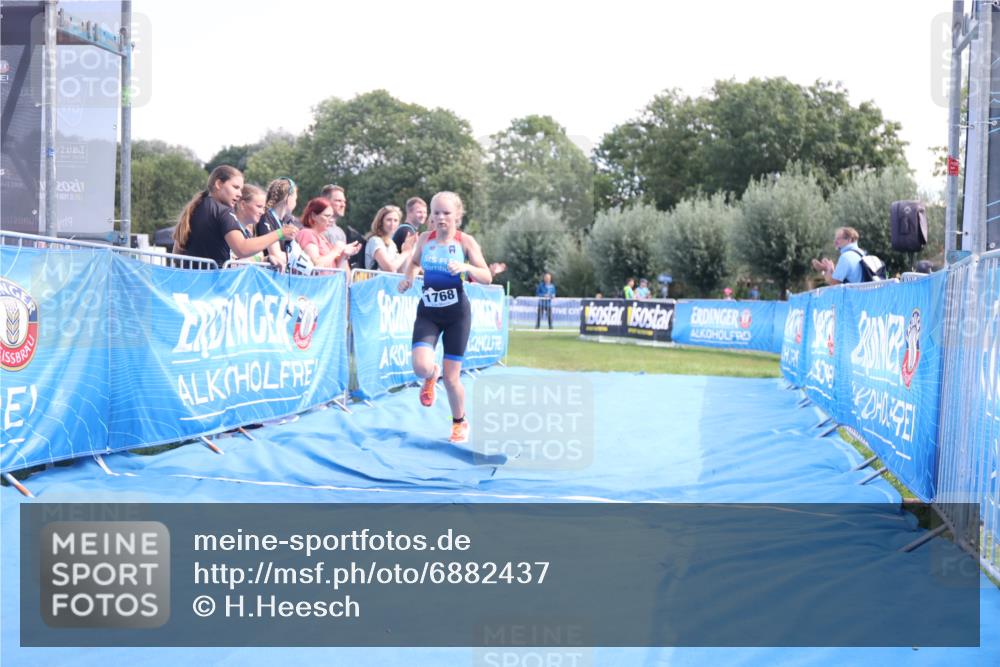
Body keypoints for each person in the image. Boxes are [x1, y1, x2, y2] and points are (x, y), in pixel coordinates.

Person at [397, 191, 496, 444]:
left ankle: (459, 422)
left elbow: (487, 276)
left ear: (457, 215)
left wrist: (466, 267)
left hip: (456, 316)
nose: (441, 218)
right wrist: (408, 278)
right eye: (436, 213)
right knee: (421, 367)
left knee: (452, 379)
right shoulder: (424, 239)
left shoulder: (465, 242)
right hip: (429, 313)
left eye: (446, 213)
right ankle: (431, 375)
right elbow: (414, 263)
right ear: (431, 215)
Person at [173, 165, 297, 267]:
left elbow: (177, 254)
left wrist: (263, 259)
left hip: (192, 281)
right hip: (214, 283)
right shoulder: (223, 211)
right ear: (218, 184)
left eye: (241, 190)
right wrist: (279, 233)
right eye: (235, 187)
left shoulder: (196, 205)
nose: (239, 194)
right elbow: (242, 249)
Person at [296, 197, 361, 270]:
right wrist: (336, 250)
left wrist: (344, 254)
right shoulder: (306, 233)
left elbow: (335, 268)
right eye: (327, 216)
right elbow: (315, 265)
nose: (331, 220)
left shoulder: (322, 237)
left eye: (331, 216)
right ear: (314, 216)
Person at [256, 177, 299, 270]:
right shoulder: (267, 217)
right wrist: (299, 259)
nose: (296, 203)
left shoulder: (286, 221)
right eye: (295, 199)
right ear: (288, 198)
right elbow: (276, 255)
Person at [366, 205, 416, 272]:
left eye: (395, 220)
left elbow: (401, 271)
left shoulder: (392, 244)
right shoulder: (375, 240)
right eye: (389, 220)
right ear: (380, 222)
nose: (392, 224)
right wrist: (405, 252)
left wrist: (408, 249)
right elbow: (390, 269)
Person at [231, 184, 269, 265]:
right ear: (242, 205)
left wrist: (267, 259)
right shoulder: (230, 230)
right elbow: (233, 264)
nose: (262, 212)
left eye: (264, 208)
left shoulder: (247, 233)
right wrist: (257, 258)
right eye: (259, 206)